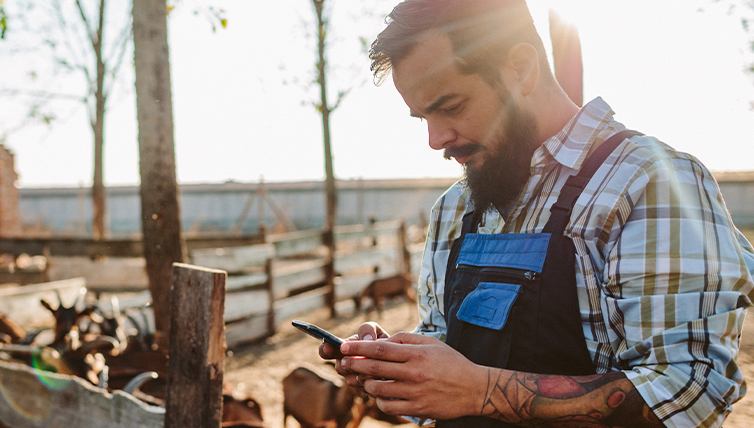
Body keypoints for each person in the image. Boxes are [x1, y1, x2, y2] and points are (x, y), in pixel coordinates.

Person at [319, 1, 754, 427]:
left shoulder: (647, 183)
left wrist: (481, 392)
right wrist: (399, 370)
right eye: (422, 118)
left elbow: (687, 394)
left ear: (523, 68)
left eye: (450, 106)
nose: (435, 140)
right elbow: (443, 355)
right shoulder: (455, 208)